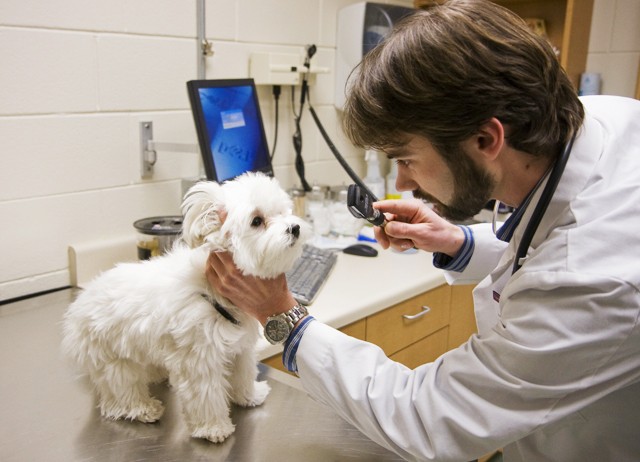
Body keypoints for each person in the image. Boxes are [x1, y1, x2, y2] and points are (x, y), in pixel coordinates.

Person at [206, 0, 640, 460]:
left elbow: (429, 417)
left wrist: (285, 317)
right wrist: (460, 242)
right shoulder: (602, 118)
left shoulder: (590, 277)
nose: (404, 183)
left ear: (486, 139)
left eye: (406, 158)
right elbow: (545, 238)